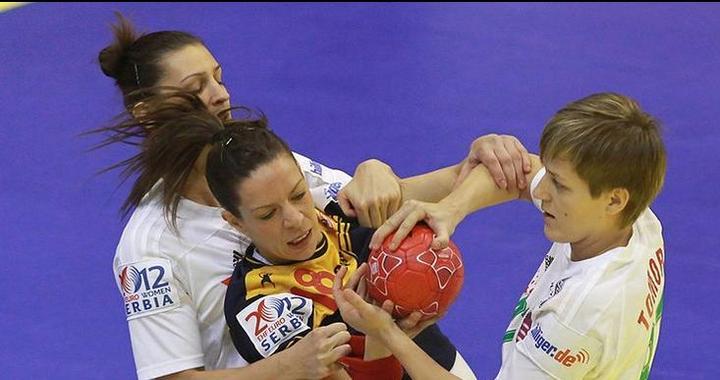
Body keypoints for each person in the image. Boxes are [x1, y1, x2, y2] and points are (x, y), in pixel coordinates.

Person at [95, 14, 528, 379]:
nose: (221, 94)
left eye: (219, 77)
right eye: (196, 88)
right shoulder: (151, 247)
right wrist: (288, 366)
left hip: (410, 354)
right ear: (146, 113)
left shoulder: (265, 164)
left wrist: (466, 166)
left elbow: (367, 205)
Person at [334, 92, 667, 379]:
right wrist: (451, 209)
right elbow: (520, 177)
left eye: (560, 185)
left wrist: (387, 334)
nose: (543, 191)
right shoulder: (636, 221)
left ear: (613, 199)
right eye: (549, 175)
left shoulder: (576, 318)